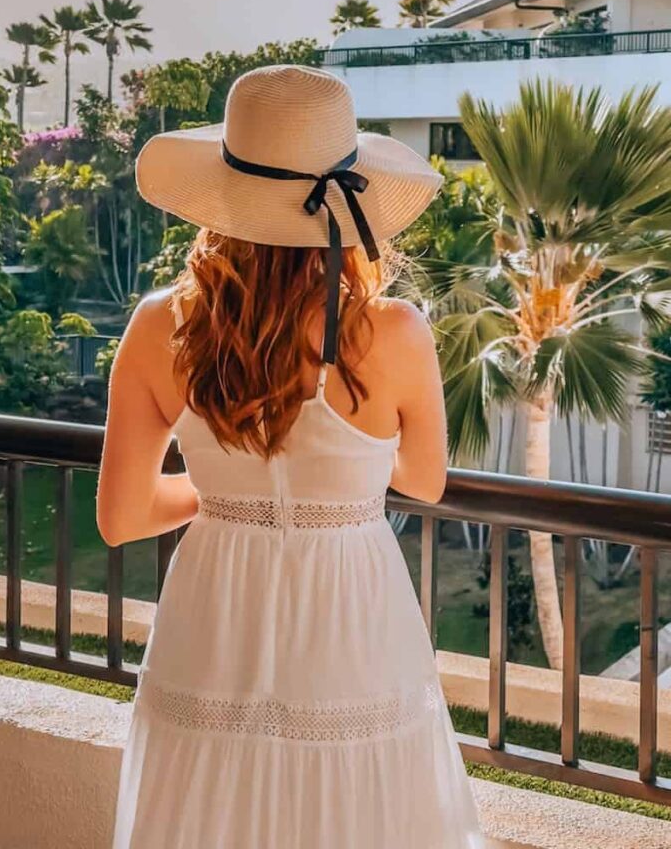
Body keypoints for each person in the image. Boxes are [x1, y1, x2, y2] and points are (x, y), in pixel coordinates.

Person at [98, 65, 483, 848]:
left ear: (223, 195)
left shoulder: (156, 325)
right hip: (350, 610)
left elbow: (123, 516)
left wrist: (225, 493)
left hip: (216, 608)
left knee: (210, 808)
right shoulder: (396, 331)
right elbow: (425, 479)